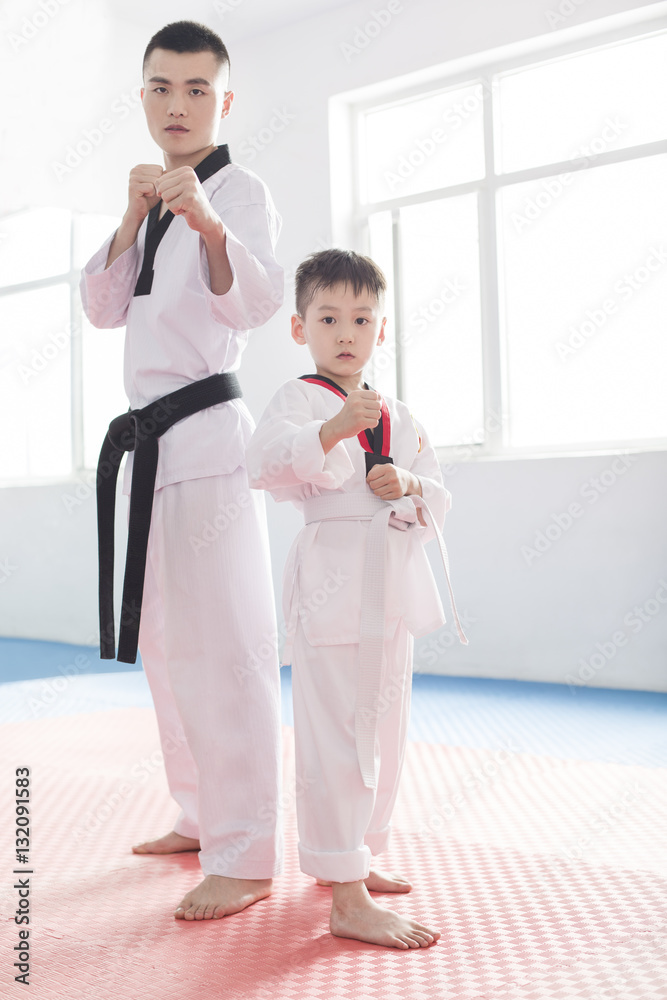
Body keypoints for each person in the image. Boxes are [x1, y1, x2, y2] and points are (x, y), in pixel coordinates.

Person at [80, 20, 284, 921]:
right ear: (144, 97)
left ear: (223, 100)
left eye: (197, 89)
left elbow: (259, 298)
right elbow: (100, 308)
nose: (178, 103)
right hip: (148, 449)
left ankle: (247, 853)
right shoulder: (146, 199)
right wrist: (132, 215)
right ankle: (201, 815)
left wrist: (202, 217)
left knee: (226, 653)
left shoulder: (241, 193)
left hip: (207, 439)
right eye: (162, 87)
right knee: (165, 644)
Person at [246, 249, 467, 949]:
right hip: (332, 582)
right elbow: (263, 463)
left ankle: (357, 858)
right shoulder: (298, 399)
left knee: (384, 729)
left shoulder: (400, 412)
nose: (346, 331)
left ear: (381, 329)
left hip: (390, 581)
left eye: (361, 318)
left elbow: (440, 496)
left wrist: (406, 484)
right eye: (329, 316)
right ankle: (344, 895)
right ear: (297, 327)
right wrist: (333, 429)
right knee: (336, 736)